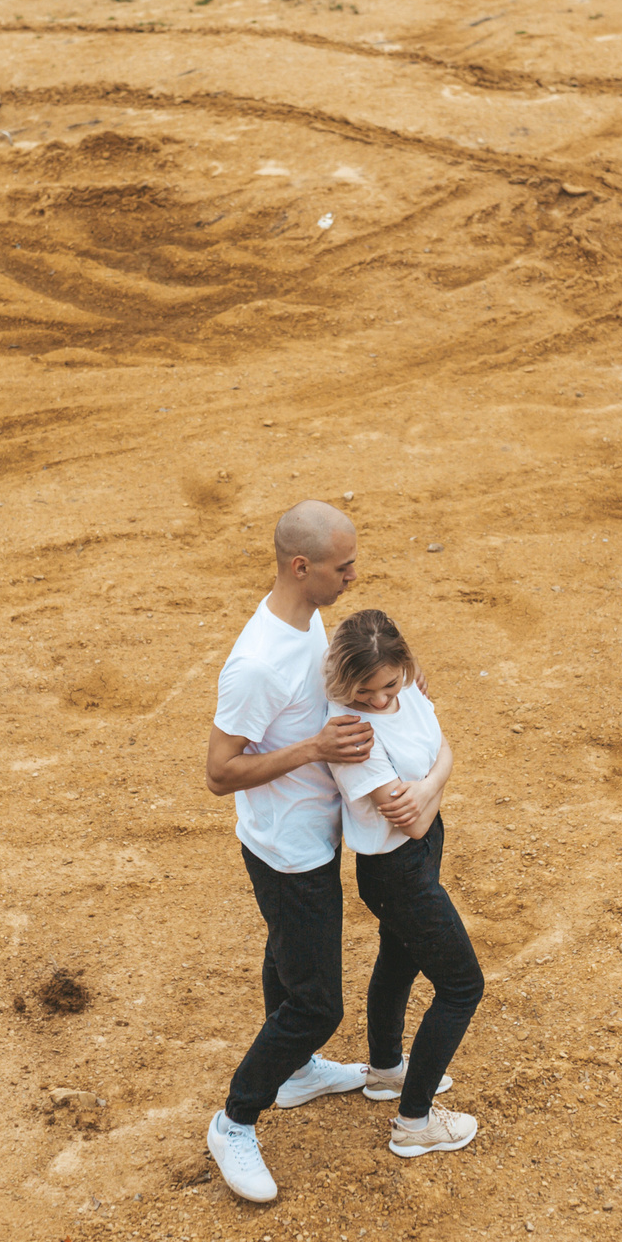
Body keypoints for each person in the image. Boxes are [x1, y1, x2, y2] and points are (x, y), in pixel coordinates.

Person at [200, 502, 430, 1203]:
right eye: (343, 566)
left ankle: (297, 1071)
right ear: (302, 567)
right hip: (286, 852)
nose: (353, 576)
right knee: (318, 1003)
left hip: (308, 836)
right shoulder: (256, 663)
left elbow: (331, 691)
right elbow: (218, 772)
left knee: (287, 958)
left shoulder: (308, 622)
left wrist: (395, 688)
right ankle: (235, 1121)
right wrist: (314, 749)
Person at [322, 608, 479, 1159]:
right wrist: (436, 781)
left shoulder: (406, 686)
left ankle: (387, 1070)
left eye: (387, 684)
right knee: (462, 986)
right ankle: (414, 1123)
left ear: (403, 664)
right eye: (362, 690)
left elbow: (445, 751)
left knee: (398, 960)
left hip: (422, 852)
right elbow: (409, 822)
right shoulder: (352, 732)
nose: (377, 699)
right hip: (397, 871)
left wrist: (429, 784)